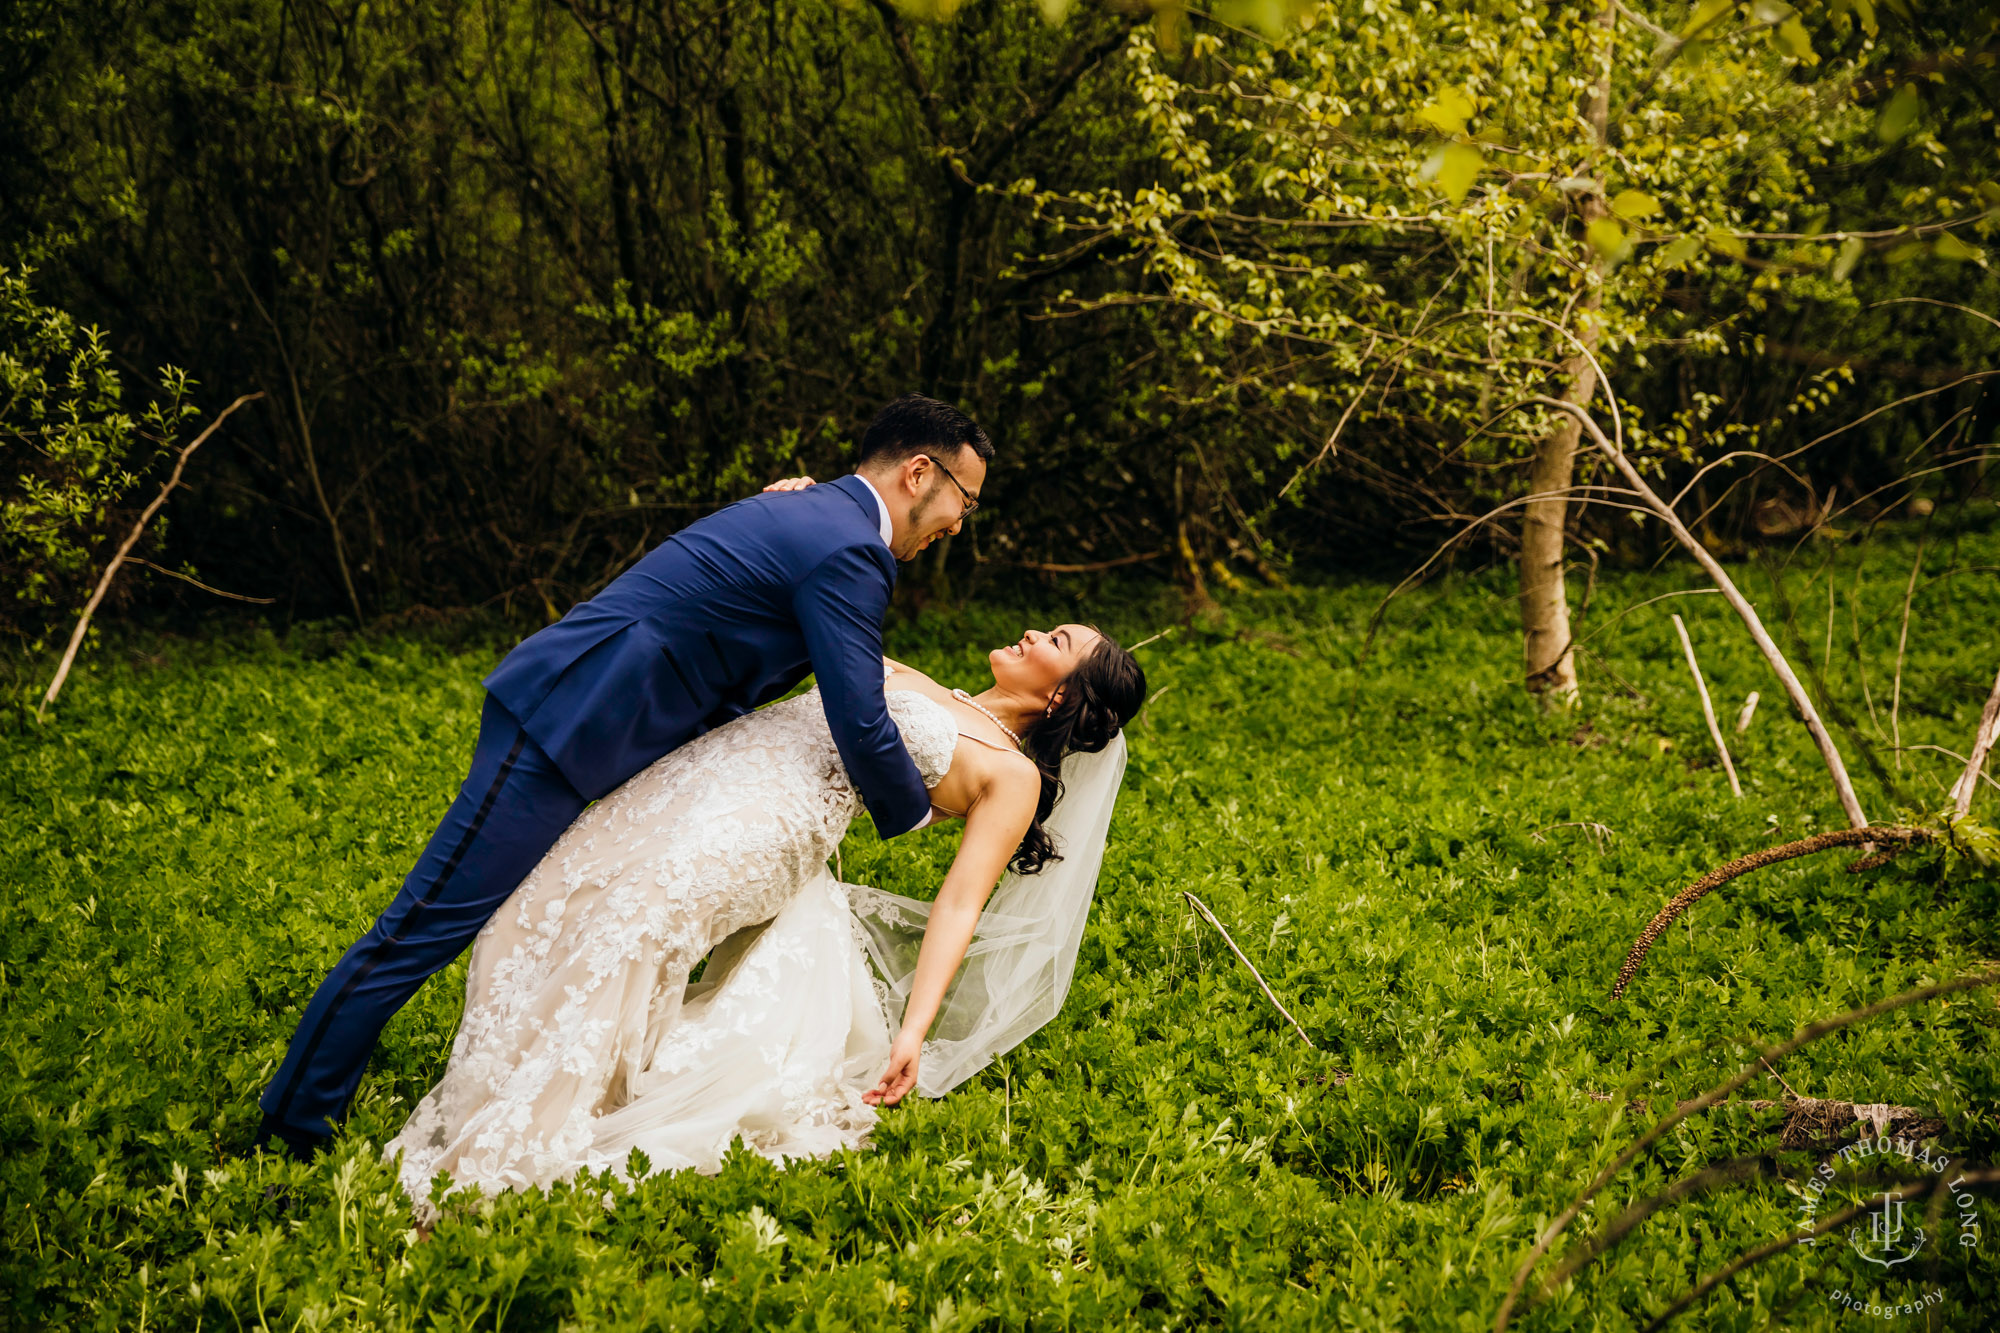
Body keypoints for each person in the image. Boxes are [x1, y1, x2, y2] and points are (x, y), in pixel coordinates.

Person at [254, 393, 992, 1163]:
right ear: (918, 472)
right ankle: (289, 1132)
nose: (958, 524)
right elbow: (858, 715)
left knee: (477, 919)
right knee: (422, 927)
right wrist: (916, 812)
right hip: (563, 717)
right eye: (963, 502)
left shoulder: (819, 516)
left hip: (597, 726)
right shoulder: (848, 547)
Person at [384, 626, 1144, 1210]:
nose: (1034, 634)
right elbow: (828, 627)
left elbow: (958, 901)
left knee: (634, 933)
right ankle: (495, 1080)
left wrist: (912, 1032)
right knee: (551, 894)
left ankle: (524, 1139)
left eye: (1058, 642)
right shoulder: (930, 684)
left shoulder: (1009, 775)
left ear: (1060, 696)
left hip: (762, 828)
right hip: (701, 776)